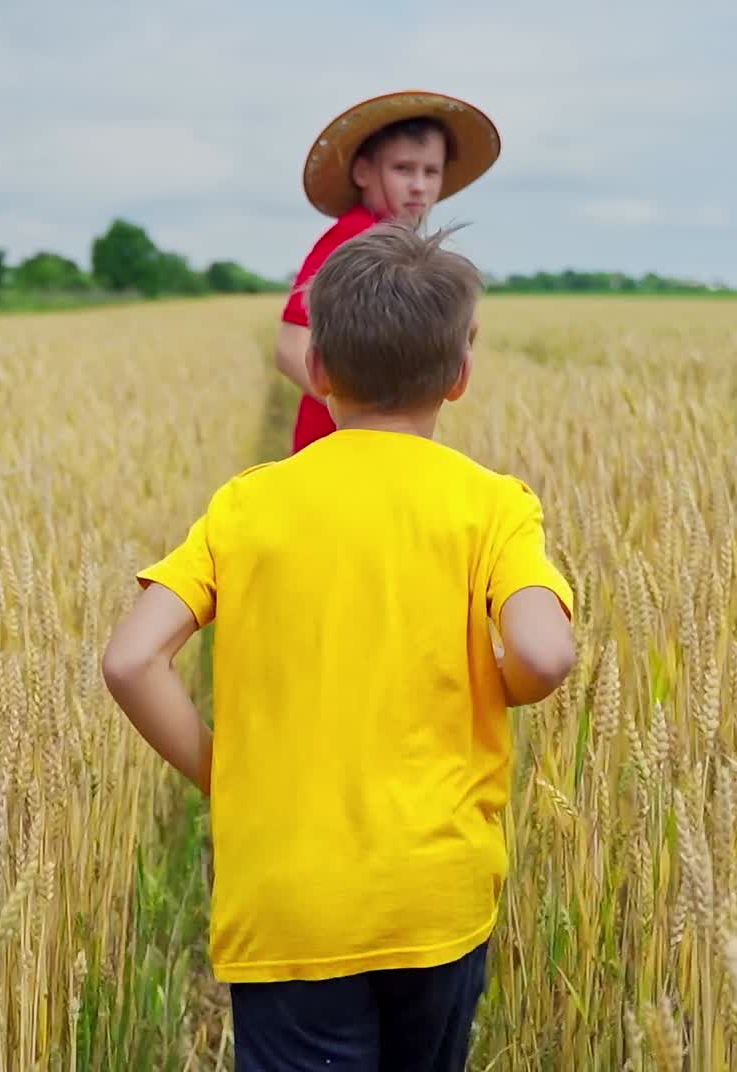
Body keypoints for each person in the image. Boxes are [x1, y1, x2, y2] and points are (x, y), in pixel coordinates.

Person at [101, 221, 575, 1070]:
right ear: (461, 373)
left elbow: (131, 660)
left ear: (316, 370)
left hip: (289, 899)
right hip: (434, 896)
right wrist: (485, 679)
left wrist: (227, 774)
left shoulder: (248, 504)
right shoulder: (493, 505)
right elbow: (544, 655)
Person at [277, 90, 501, 454]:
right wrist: (369, 419)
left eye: (431, 172)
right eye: (403, 169)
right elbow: (289, 349)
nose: (419, 186)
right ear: (363, 172)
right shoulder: (350, 241)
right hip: (339, 450)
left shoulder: (402, 245)